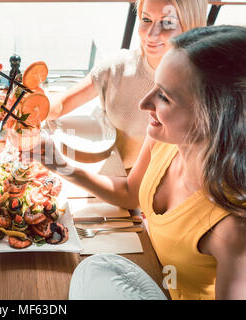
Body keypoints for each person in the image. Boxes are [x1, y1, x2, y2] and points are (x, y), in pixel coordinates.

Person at [33, 25, 246, 299]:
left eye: (165, 97)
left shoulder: (234, 229)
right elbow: (130, 194)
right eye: (155, 85)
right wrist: (60, 165)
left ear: (216, 120)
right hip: (149, 272)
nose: (144, 103)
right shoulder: (165, 139)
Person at [47, 0, 208, 169]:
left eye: (168, 23)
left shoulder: (200, 93)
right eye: (146, 19)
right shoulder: (117, 65)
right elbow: (63, 103)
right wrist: (28, 109)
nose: (151, 35)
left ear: (192, 28)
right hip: (104, 171)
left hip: (147, 190)